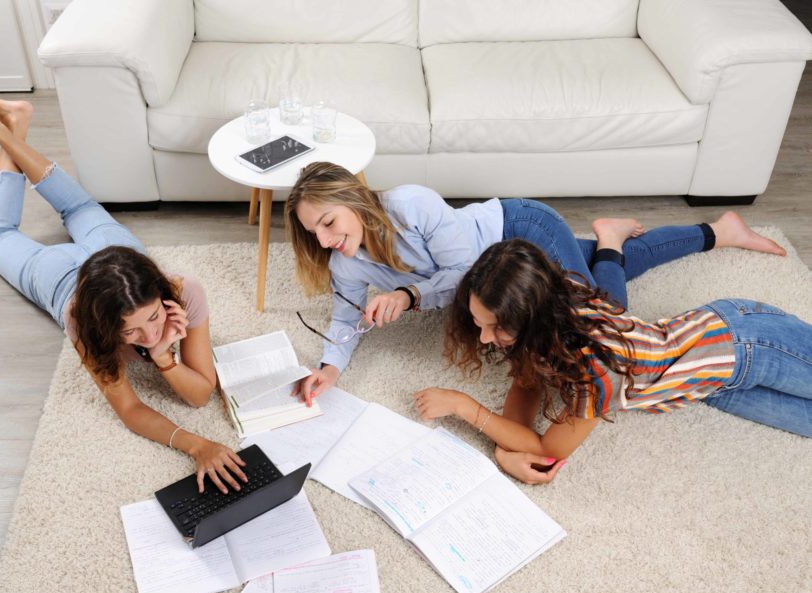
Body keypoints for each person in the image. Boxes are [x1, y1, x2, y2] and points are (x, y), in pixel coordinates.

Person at [285, 161, 786, 404]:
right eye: (315, 233)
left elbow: (462, 277)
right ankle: (719, 231)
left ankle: (610, 240)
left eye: (329, 221)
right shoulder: (346, 264)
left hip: (521, 230)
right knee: (608, 270)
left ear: (353, 198)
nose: (326, 239)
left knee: (603, 317)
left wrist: (408, 294)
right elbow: (345, 317)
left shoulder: (409, 205)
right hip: (500, 277)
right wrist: (330, 369)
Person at [0, 94, 246, 494]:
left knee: (78, 207)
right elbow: (129, 409)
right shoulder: (82, 319)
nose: (149, 337)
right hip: (62, 279)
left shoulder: (184, 292)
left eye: (153, 318)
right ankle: (10, 128)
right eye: (129, 333)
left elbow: (200, 395)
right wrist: (196, 444)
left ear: (160, 290)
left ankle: (12, 125)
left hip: (114, 253)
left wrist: (165, 357)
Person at [413, 239, 811, 484]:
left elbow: (548, 449)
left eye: (496, 328)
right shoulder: (545, 318)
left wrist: (466, 408)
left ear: (530, 316)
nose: (485, 339)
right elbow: (526, 385)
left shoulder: (595, 371)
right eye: (481, 324)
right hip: (712, 384)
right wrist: (506, 448)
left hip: (746, 342)